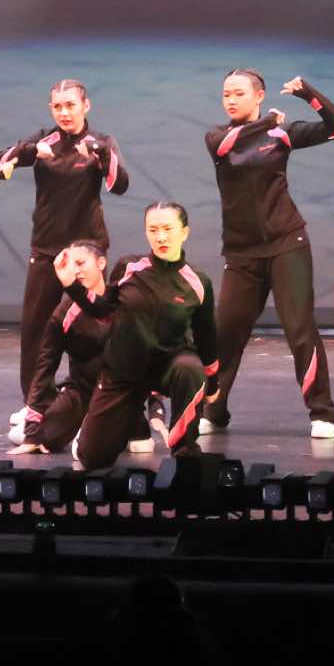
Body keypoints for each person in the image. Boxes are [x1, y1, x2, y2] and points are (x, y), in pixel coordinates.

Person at [199, 71, 334, 438]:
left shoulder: (281, 134)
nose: (231, 100)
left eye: (238, 93)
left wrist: (308, 93)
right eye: (226, 94)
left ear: (259, 95)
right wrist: (267, 122)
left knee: (299, 329)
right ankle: (213, 409)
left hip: (286, 244)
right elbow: (228, 145)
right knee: (226, 333)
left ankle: (322, 413)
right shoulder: (218, 136)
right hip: (241, 253)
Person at [0, 80, 131, 420]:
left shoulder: (100, 142)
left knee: (91, 329)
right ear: (51, 109)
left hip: (87, 253)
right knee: (36, 329)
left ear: (85, 106)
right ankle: (35, 403)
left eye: (70, 105)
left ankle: (95, 402)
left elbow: (120, 185)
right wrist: (29, 152)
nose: (64, 112)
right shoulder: (43, 141)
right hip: (46, 249)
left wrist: (101, 156)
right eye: (58, 106)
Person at [61, 201, 220, 470]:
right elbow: (102, 309)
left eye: (168, 229)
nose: (161, 237)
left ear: (184, 232)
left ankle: (184, 451)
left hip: (168, 367)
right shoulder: (128, 268)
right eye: (153, 230)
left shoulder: (198, 282)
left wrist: (213, 385)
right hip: (123, 372)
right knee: (92, 458)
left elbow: (207, 338)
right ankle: (112, 427)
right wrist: (71, 284)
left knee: (190, 369)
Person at [11, 241, 135, 456]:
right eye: (71, 266)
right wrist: (32, 429)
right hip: (81, 393)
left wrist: (155, 406)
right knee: (30, 437)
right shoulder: (63, 314)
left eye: (81, 263)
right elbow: (44, 368)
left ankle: (110, 427)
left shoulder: (122, 300)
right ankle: (56, 421)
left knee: (135, 445)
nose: (76, 271)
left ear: (101, 263)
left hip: (119, 393)